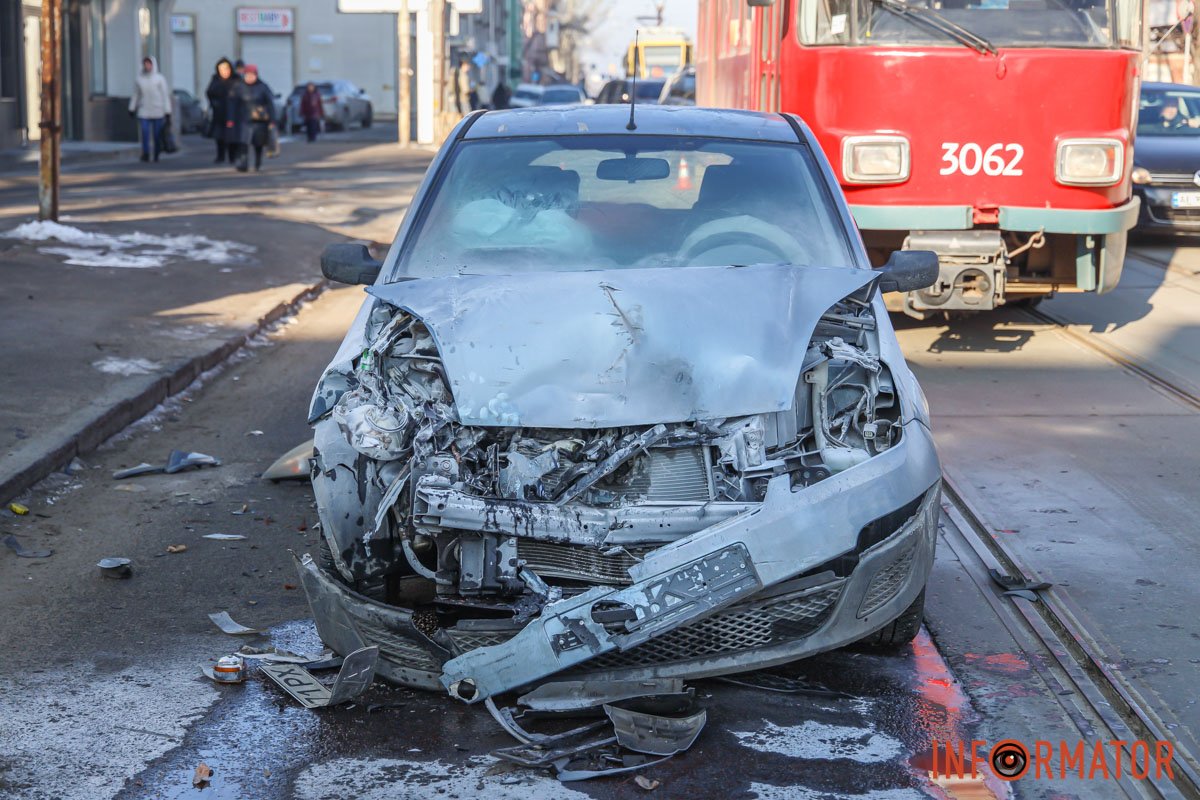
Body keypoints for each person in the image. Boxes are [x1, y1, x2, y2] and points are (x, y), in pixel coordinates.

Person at [226, 64, 276, 172]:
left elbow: (270, 104)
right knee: (243, 143)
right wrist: (230, 119)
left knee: (258, 144)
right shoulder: (238, 87)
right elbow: (232, 104)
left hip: (259, 121)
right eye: (247, 75)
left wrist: (272, 120)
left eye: (252, 75)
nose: (250, 77)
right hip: (243, 120)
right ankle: (243, 164)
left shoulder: (263, 87)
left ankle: (258, 163)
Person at [128, 57, 171, 163]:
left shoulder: (159, 79)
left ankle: (156, 153)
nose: (147, 66)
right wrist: (132, 108)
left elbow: (165, 96)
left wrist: (167, 111)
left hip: (158, 110)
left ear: (153, 65)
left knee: (157, 134)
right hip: (144, 110)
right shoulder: (139, 79)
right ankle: (146, 153)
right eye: (145, 64)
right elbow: (136, 95)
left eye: (149, 64)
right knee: (145, 133)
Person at [205, 57, 237, 163]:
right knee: (219, 136)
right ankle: (220, 156)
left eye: (226, 69)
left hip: (233, 113)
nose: (224, 72)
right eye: (222, 69)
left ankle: (233, 156)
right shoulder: (215, 80)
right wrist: (214, 103)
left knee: (232, 136)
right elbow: (209, 93)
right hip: (219, 113)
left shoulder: (236, 80)